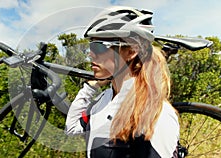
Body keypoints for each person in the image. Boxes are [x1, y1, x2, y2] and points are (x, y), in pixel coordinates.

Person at [65, 6, 179, 158]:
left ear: (131, 51)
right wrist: (89, 88)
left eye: (98, 47)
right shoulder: (103, 100)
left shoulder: (156, 113)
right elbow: (72, 128)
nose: (91, 54)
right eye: (90, 46)